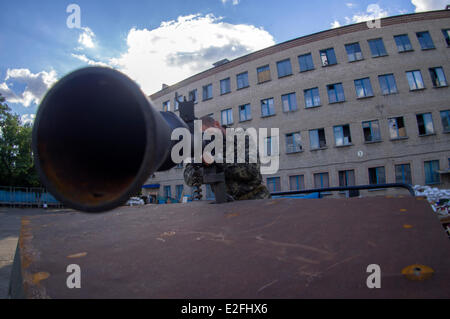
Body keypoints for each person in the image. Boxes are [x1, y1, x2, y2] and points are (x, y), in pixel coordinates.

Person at [184, 116, 270, 201]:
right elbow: (189, 179)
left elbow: (251, 170)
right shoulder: (205, 147)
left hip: (255, 198)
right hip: (225, 203)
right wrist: (202, 165)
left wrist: (216, 162)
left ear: (217, 124)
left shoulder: (240, 136)